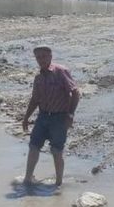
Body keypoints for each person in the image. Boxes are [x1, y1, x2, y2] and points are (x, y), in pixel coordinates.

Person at [21, 46, 80, 187]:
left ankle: (58, 184)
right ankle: (27, 179)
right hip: (42, 117)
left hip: (59, 118)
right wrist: (26, 118)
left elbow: (76, 93)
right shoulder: (39, 77)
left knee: (56, 150)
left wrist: (70, 114)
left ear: (50, 56)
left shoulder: (61, 72)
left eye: (43, 56)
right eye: (38, 57)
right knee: (34, 146)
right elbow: (35, 99)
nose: (41, 60)